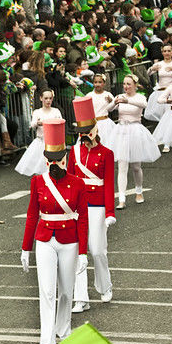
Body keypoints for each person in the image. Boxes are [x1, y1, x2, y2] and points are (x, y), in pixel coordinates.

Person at [21, 119, 88, 344]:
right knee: (47, 291)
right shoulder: (38, 181)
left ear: (65, 160)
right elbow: (31, 215)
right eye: (50, 161)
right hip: (45, 239)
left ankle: (64, 329)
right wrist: (25, 248)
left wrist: (83, 252)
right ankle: (46, 340)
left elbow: (82, 219)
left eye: (58, 161)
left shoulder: (78, 183)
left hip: (69, 240)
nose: (54, 165)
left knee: (67, 291)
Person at [68, 98, 116, 314]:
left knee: (97, 251)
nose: (85, 137)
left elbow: (108, 185)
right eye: (82, 132)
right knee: (78, 254)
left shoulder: (106, 153)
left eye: (88, 132)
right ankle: (81, 298)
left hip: (96, 208)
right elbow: (68, 180)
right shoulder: (74, 152)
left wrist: (110, 211)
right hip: (78, 208)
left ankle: (105, 286)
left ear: (95, 131)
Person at [104, 76, 161, 208]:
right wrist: (114, 101)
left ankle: (139, 190)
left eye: (129, 84)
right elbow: (109, 109)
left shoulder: (140, 97)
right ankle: (122, 199)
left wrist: (127, 100)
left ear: (135, 85)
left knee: (136, 166)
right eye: (124, 84)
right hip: (122, 130)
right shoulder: (120, 96)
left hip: (135, 130)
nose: (126, 86)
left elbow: (144, 105)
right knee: (122, 166)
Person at [15, 88, 62, 176]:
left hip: (53, 143)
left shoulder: (56, 111)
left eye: (50, 98)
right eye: (46, 98)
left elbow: (61, 122)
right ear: (41, 98)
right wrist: (38, 123)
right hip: (41, 141)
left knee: (54, 167)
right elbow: (32, 124)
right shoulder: (37, 112)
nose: (48, 100)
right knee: (40, 167)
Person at [144, 44, 172, 126]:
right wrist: (152, 69)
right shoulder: (159, 64)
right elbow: (147, 73)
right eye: (165, 51)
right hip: (161, 91)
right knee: (164, 116)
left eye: (169, 51)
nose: (167, 53)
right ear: (162, 53)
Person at [84, 74, 116, 143]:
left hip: (106, 123)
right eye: (95, 82)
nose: (97, 84)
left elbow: (114, 108)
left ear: (104, 83)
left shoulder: (108, 94)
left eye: (100, 82)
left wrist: (111, 102)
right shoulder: (89, 95)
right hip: (93, 123)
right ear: (93, 83)